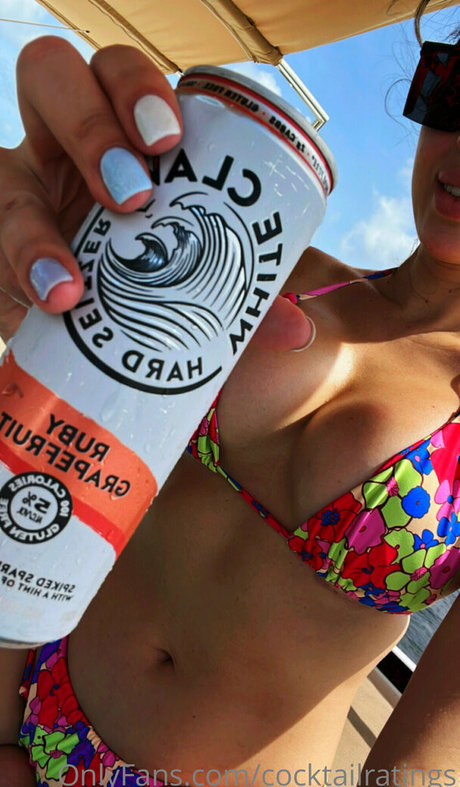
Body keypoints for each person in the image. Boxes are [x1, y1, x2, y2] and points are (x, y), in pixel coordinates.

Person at [0, 1, 459, 784]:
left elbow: (425, 762)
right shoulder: (261, 265)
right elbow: (47, 486)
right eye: (457, 91)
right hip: (35, 699)